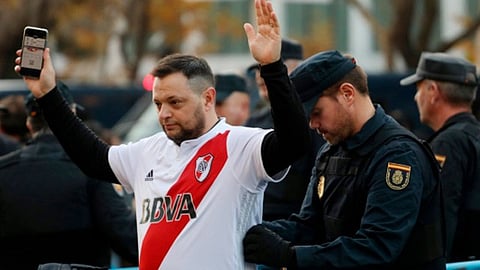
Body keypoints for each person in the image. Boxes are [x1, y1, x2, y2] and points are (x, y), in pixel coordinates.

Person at [13, 0, 310, 269]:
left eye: (175, 102)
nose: (164, 113)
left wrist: (272, 67)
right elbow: (92, 158)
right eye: (158, 103)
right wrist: (47, 94)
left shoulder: (241, 146)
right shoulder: (147, 151)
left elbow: (294, 141)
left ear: (208, 98)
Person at [242, 50, 446, 269]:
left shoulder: (397, 156)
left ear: (347, 93)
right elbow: (309, 226)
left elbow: (377, 248)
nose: (312, 124)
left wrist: (290, 257)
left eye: (316, 112)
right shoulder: (331, 152)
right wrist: (249, 233)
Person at [0, 83, 138, 270]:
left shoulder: (4, 171)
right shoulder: (91, 171)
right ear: (71, 118)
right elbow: (127, 238)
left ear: (29, 123)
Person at [400, 52, 480, 262]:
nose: (416, 97)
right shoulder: (472, 135)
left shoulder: (448, 143)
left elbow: (441, 217)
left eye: (418, 89)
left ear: (433, 91)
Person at [245, 38, 323, 221]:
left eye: (271, 69)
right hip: (255, 216)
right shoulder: (254, 121)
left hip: (295, 219)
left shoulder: (314, 119)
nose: (261, 76)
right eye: (259, 70)